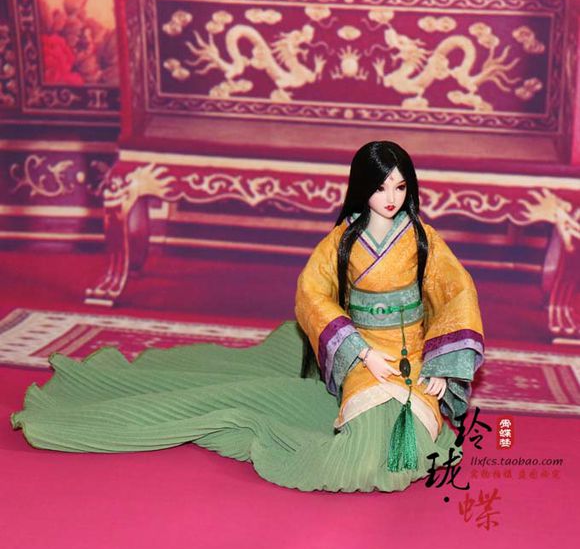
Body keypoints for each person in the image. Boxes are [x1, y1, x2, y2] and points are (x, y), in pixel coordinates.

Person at [11, 141, 484, 493]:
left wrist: (442, 367)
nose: (390, 197)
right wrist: (360, 352)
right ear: (363, 188)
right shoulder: (342, 241)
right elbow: (313, 294)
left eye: (399, 186)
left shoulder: (423, 240)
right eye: (380, 187)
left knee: (413, 440)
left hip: (412, 357)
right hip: (365, 358)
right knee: (365, 448)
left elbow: (457, 293)